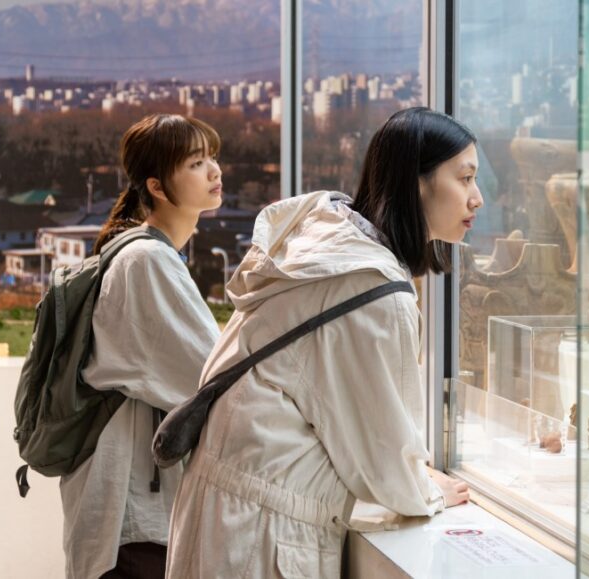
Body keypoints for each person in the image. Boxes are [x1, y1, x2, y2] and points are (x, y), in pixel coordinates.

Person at [165, 107, 482, 577]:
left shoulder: (324, 245)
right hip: (262, 533)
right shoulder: (372, 289)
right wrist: (426, 489)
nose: (477, 198)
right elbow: (385, 450)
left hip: (221, 508)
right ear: (416, 182)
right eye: (465, 178)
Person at [60, 114, 223, 579]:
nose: (214, 171)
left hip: (133, 510)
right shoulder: (147, 261)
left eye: (212, 158)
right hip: (133, 518)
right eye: (195, 163)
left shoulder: (144, 253)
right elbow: (212, 378)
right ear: (156, 185)